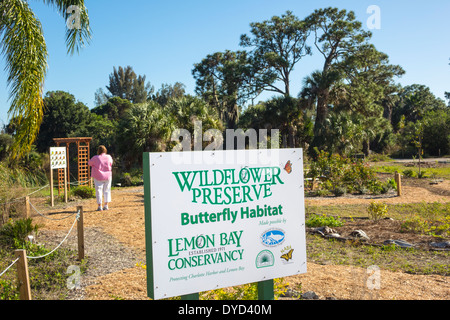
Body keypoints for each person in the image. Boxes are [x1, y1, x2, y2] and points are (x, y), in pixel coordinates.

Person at [88, 145, 113, 211]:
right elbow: (111, 163)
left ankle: (99, 206)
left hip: (98, 176)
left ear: (98, 151)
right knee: (107, 190)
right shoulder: (109, 157)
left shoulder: (95, 158)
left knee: (98, 190)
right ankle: (106, 205)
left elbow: (89, 163)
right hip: (108, 175)